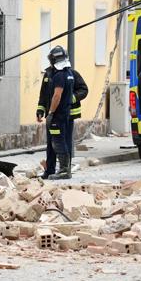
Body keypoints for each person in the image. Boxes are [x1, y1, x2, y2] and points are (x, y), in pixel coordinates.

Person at [36, 49, 88, 179]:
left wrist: (71, 98)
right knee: (52, 143)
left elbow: (83, 90)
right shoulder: (48, 74)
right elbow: (44, 94)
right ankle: (50, 170)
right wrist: (41, 110)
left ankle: (65, 169)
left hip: (66, 114)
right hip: (52, 113)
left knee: (63, 141)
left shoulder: (70, 73)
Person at [41, 46, 76, 180]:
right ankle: (64, 170)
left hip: (58, 115)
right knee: (62, 141)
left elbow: (57, 96)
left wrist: (50, 113)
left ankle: (64, 171)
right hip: (65, 113)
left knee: (58, 142)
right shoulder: (69, 74)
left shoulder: (59, 75)